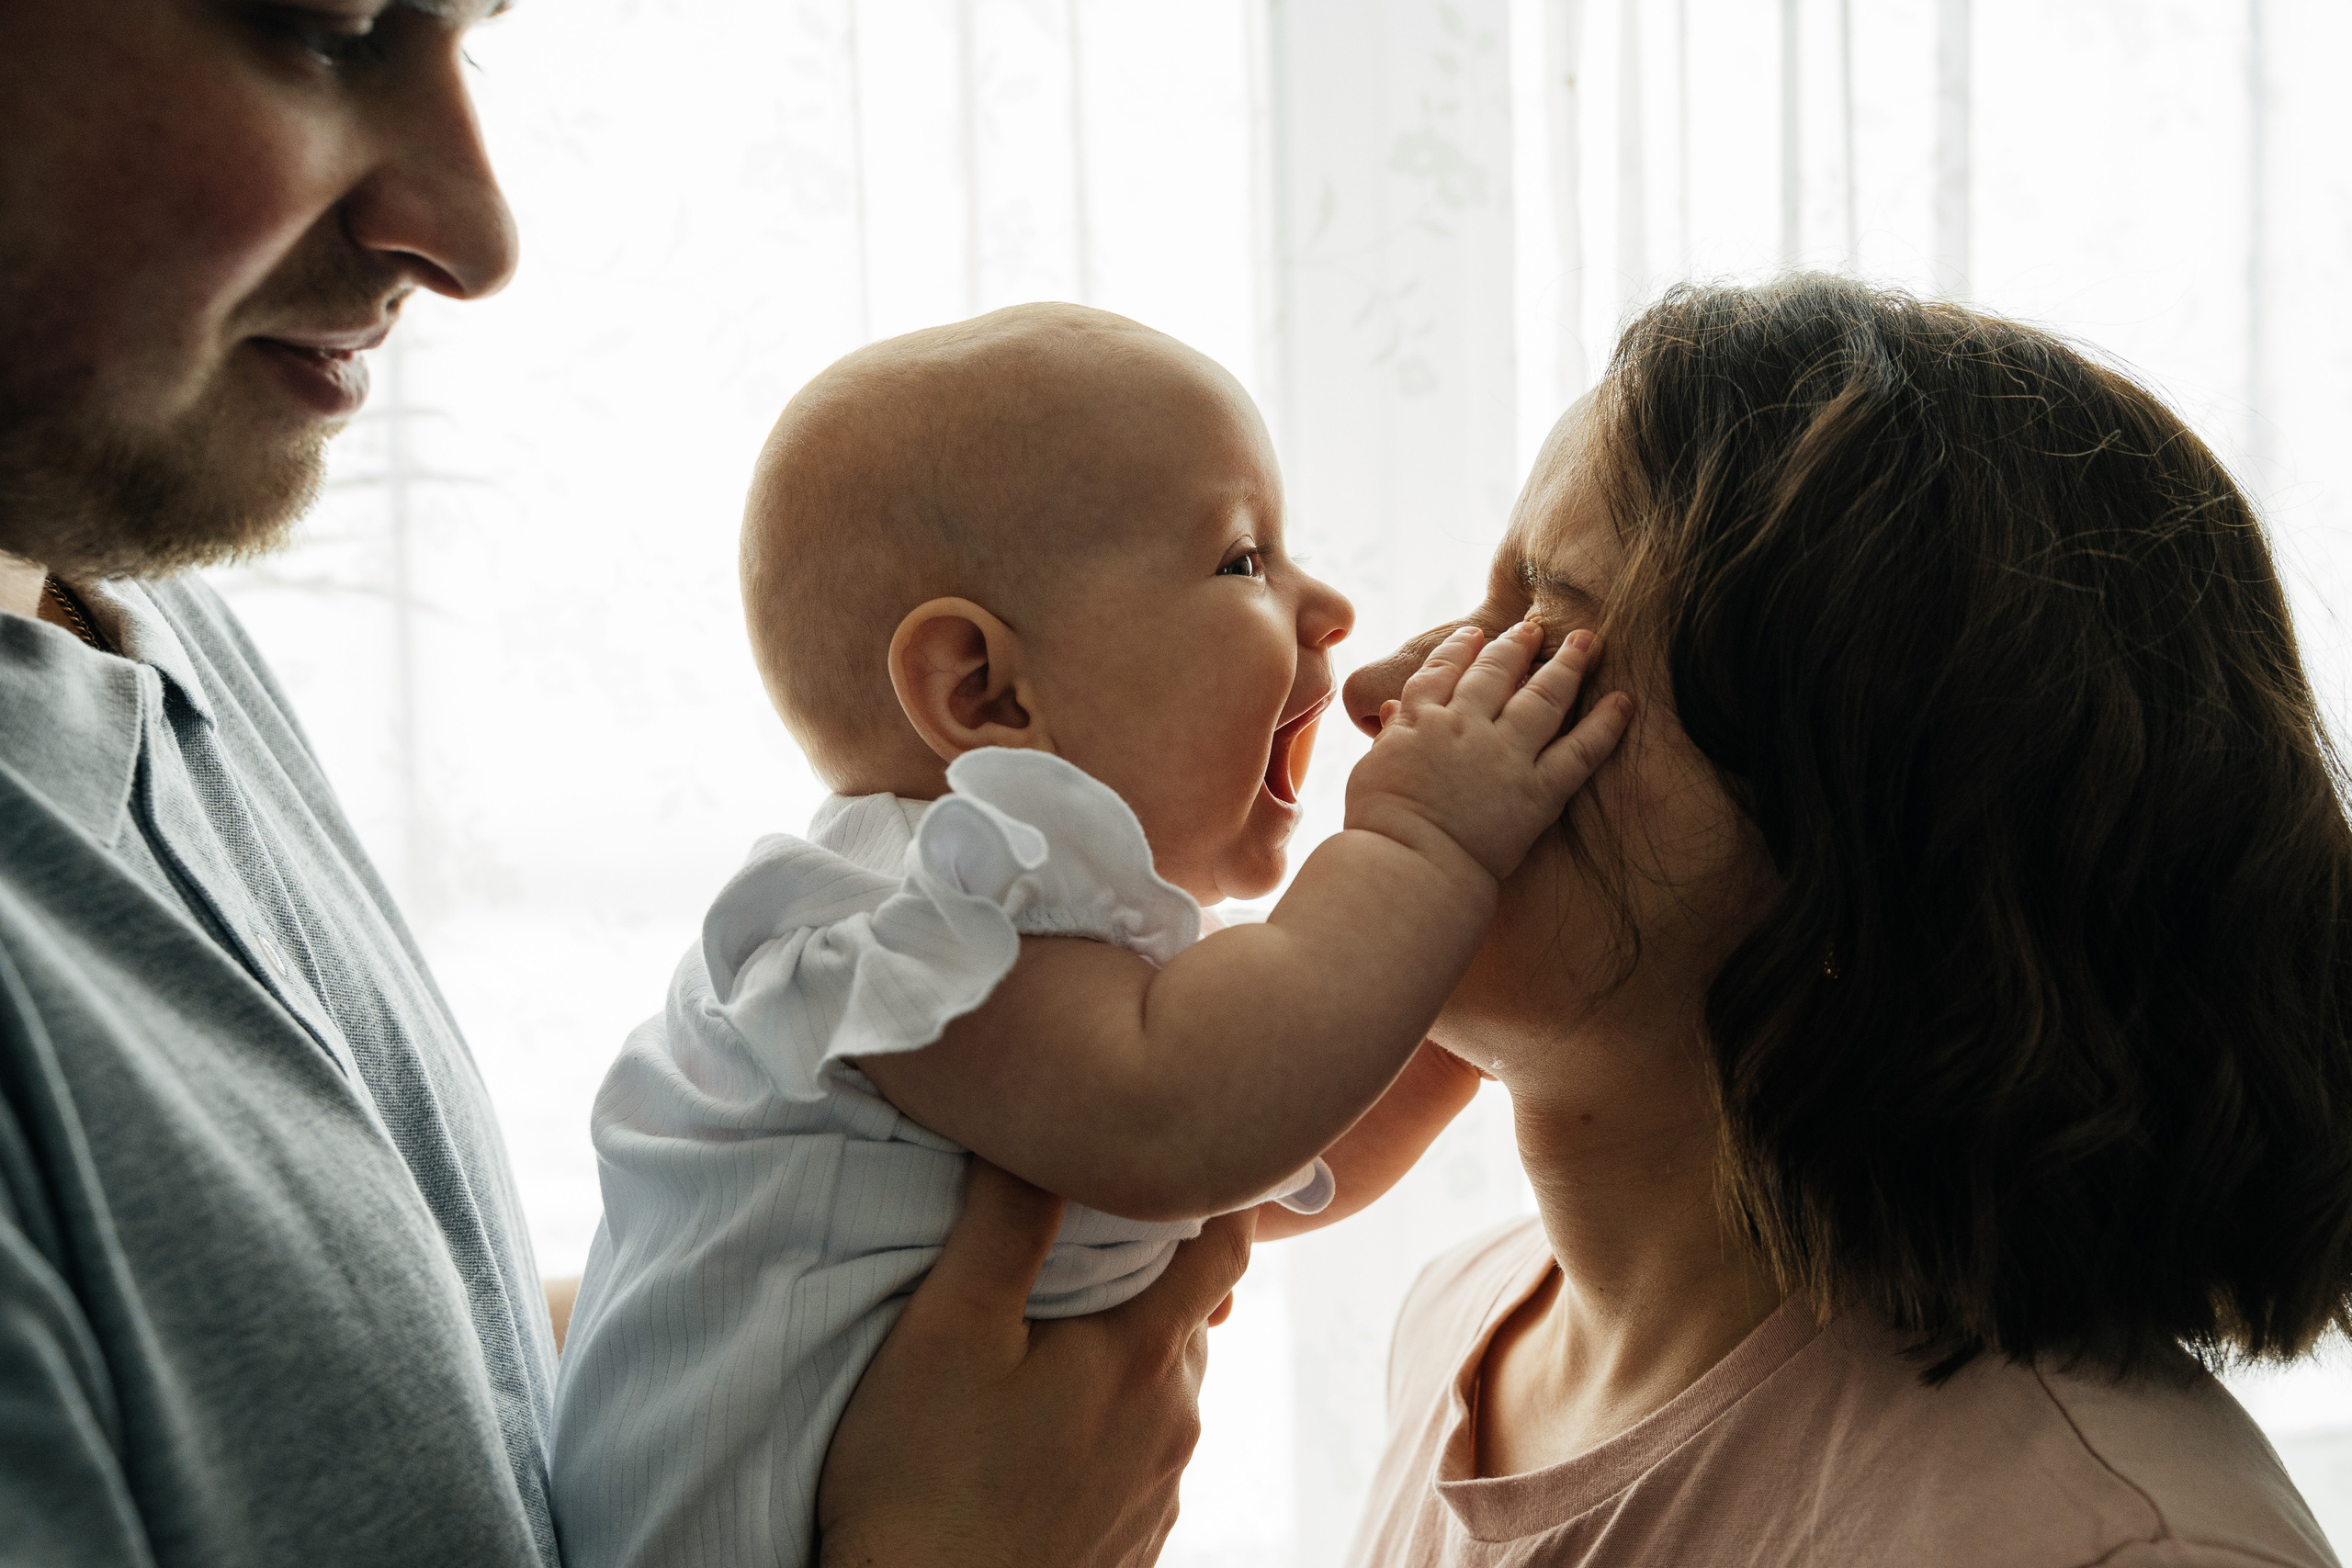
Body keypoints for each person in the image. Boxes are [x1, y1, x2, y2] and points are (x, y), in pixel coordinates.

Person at [0, 5, 1250, 1563]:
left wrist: (791, 1345)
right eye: (328, 25)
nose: (476, 230)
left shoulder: (142, 625)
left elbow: (348, 1419)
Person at [548, 305, 1634, 1567]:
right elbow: (1193, 1126)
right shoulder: (918, 920)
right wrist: (1423, 849)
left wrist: (1470, 1004)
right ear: (985, 690)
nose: (1328, 608)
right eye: (1243, 561)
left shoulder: (1062, 1002)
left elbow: (1272, 1151)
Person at [1335, 275, 2352, 1566]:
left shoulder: (2113, 1549)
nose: (1381, 694)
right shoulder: (1461, 1328)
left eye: (1542, 643)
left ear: (1864, 836)